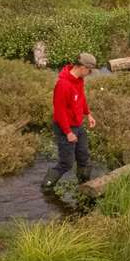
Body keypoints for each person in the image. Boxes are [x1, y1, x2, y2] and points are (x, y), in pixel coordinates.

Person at [44, 52, 97, 188]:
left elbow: (81, 97)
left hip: (77, 125)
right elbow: (60, 112)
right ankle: (46, 187)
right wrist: (68, 132)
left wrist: (88, 114)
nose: (89, 73)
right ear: (82, 67)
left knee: (83, 156)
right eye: (89, 70)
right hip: (64, 127)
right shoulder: (63, 85)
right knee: (66, 163)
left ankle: (85, 184)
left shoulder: (79, 80)